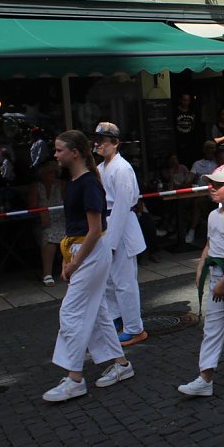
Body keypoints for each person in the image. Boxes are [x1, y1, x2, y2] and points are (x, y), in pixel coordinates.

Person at [43, 130, 133, 403]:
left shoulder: (88, 184)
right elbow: (78, 228)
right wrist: (68, 259)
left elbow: (95, 230)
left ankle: (74, 379)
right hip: (83, 251)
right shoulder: (75, 182)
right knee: (98, 311)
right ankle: (121, 364)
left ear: (75, 153)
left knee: (72, 312)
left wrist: (74, 262)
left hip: (90, 252)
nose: (55, 155)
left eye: (59, 150)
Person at [177, 164, 224, 397]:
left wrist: (223, 283)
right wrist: (200, 267)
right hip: (217, 276)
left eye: (219, 184)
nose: (212, 188)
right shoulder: (213, 215)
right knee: (212, 330)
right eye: (211, 183)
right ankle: (205, 377)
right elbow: (210, 244)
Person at [94, 123, 148, 347]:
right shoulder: (100, 168)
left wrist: (112, 242)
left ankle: (135, 328)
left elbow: (123, 205)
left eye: (103, 140)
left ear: (115, 143)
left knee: (124, 282)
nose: (98, 144)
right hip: (106, 224)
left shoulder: (122, 168)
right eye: (97, 140)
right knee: (108, 280)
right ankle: (117, 317)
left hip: (121, 227)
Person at [27, 158, 65, 287]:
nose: (52, 175)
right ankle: (47, 273)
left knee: (71, 233)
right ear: (42, 174)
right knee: (49, 235)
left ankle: (68, 270)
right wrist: (42, 211)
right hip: (43, 222)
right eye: (49, 172)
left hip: (62, 219)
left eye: (54, 172)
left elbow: (71, 202)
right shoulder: (36, 186)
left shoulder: (62, 185)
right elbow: (31, 208)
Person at [187, 141, 220, 243]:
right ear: (204, 150)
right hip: (200, 194)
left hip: (215, 194)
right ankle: (192, 230)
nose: (211, 150)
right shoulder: (197, 164)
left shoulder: (218, 163)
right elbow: (189, 178)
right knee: (197, 202)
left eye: (213, 148)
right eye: (209, 148)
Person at [175, 93, 202, 168]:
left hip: (191, 140)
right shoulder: (175, 111)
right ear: (180, 100)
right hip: (179, 140)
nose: (185, 102)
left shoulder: (192, 111)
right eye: (184, 100)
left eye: (187, 100)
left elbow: (197, 125)